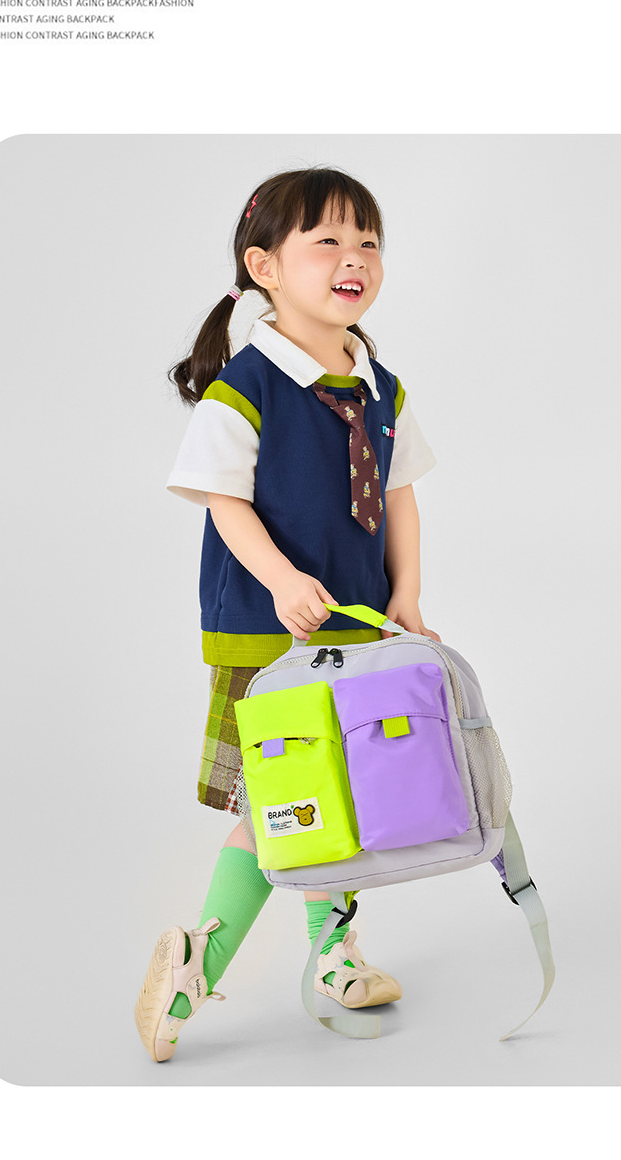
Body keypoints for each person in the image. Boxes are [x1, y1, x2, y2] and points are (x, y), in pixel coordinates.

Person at [135, 166, 439, 1062]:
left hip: (356, 628)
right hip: (273, 636)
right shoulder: (248, 384)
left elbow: (401, 495)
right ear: (264, 266)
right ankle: (196, 962)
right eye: (328, 241)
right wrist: (278, 579)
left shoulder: (381, 385)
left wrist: (406, 594)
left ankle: (331, 952)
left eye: (368, 241)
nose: (354, 258)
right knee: (287, 803)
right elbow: (222, 500)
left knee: (347, 789)